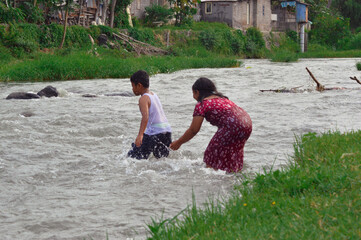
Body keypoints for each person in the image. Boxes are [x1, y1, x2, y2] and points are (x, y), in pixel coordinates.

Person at [170, 77, 252, 173]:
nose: (193, 96)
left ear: (197, 92)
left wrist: (179, 142)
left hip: (232, 127)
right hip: (247, 124)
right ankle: (236, 178)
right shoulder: (223, 99)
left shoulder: (202, 104)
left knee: (211, 156)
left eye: (193, 93)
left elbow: (193, 130)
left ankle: (213, 181)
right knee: (232, 156)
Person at [127, 70, 172, 159]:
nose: (132, 89)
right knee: (161, 160)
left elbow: (145, 117)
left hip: (155, 132)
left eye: (133, 86)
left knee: (133, 157)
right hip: (166, 132)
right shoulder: (153, 95)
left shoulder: (143, 98)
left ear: (139, 85)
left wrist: (140, 135)